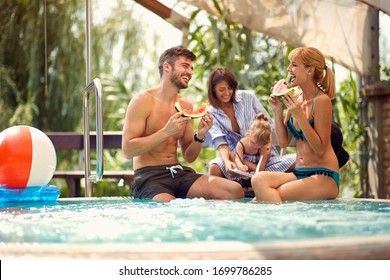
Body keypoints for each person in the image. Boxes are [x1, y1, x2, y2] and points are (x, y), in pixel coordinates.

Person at [121, 46, 244, 202]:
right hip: (149, 176)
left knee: (234, 191)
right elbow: (127, 150)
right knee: (168, 207)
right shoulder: (142, 101)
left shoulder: (185, 105)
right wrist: (166, 132)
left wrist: (200, 135)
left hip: (178, 172)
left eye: (191, 68)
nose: (190, 72)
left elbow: (189, 156)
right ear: (167, 67)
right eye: (185, 66)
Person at [251, 46, 341, 203]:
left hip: (324, 175)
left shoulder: (321, 101)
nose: (288, 69)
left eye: (294, 65)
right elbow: (284, 141)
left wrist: (299, 115)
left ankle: (281, 227)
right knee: (258, 180)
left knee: (270, 196)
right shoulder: (296, 97)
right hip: (299, 172)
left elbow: (320, 149)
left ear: (310, 70)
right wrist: (277, 111)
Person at [207, 67, 296, 190]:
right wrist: (228, 163)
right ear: (213, 90)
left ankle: (264, 184)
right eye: (221, 90)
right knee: (215, 167)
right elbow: (220, 142)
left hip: (263, 159)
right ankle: (229, 198)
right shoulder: (212, 112)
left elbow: (268, 125)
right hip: (236, 160)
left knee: (296, 160)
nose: (227, 93)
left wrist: (267, 148)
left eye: (230, 88)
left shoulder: (248, 97)